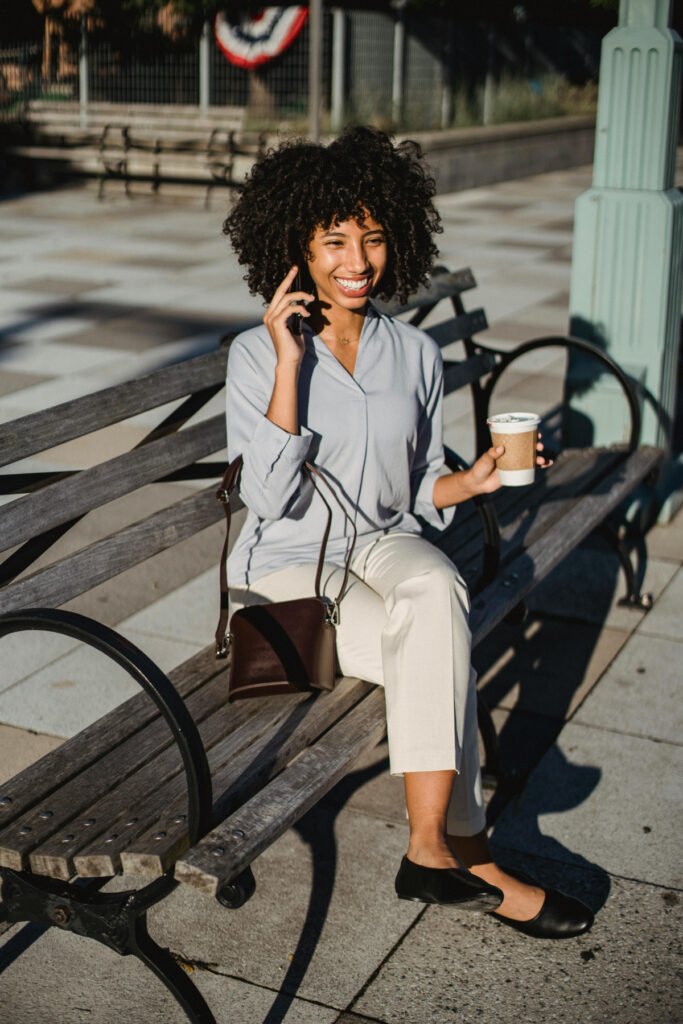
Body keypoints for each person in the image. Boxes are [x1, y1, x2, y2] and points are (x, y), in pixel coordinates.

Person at [222, 126, 593, 938]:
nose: (357, 260)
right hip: (292, 567)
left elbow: (421, 486)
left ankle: (428, 845)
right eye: (333, 241)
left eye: (373, 237)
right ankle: (468, 851)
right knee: (433, 639)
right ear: (296, 247)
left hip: (380, 542)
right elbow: (269, 498)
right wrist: (290, 365)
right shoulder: (258, 355)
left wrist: (479, 479)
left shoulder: (414, 352)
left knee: (433, 588)